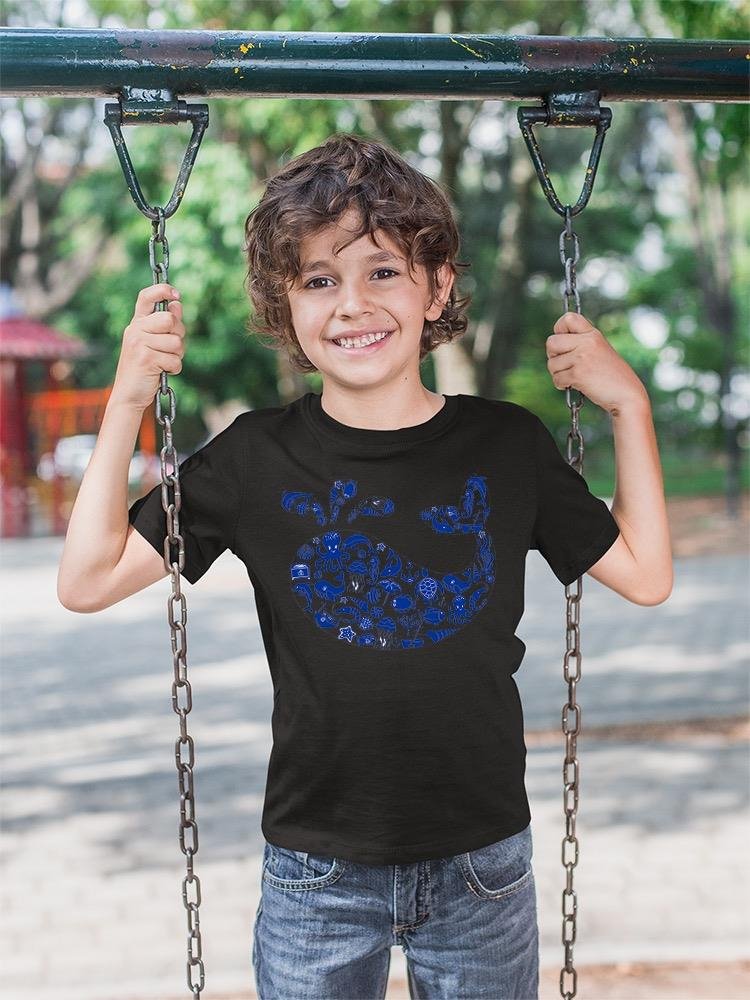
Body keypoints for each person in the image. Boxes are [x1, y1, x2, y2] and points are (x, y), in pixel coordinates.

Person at [58, 133, 673, 999]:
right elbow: (84, 581)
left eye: (382, 271)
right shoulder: (254, 458)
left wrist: (629, 406)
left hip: (482, 865)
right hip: (318, 872)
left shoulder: (505, 445)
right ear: (288, 303)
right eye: (319, 279)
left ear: (439, 286)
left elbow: (646, 572)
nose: (352, 304)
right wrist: (127, 399)